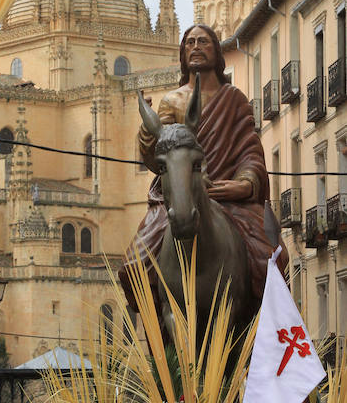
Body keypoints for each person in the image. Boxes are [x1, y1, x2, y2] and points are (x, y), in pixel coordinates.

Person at [120, 24, 287, 315]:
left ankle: (264, 324)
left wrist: (245, 184)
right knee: (134, 266)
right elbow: (158, 160)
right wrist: (147, 132)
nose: (196, 47)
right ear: (183, 53)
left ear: (216, 51)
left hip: (229, 198)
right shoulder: (171, 101)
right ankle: (157, 328)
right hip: (179, 198)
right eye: (190, 42)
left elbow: (249, 150)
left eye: (203, 41)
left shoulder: (234, 99)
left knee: (271, 259)